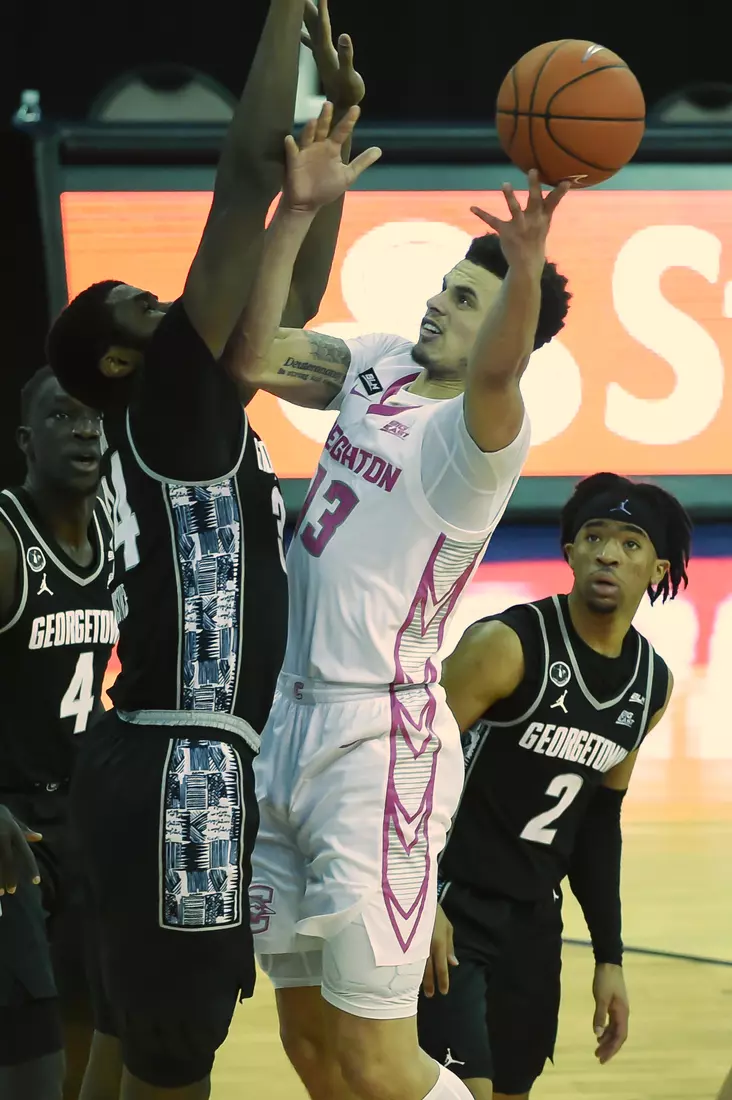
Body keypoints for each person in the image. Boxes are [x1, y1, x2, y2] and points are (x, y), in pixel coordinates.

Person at [45, 4, 375, 1098]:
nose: (173, 302)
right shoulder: (171, 398)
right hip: (179, 773)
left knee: (130, 1034)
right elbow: (242, 180)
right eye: (144, 307)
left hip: (148, 758)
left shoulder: (188, 412)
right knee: (175, 1058)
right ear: (118, 362)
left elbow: (290, 301)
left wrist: (326, 154)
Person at [232, 162, 572, 1098]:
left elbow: (499, 366)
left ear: (506, 332)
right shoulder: (379, 362)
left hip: (377, 744)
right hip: (284, 727)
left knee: (378, 1060)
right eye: (444, 288)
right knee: (310, 1044)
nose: (438, 306)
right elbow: (251, 358)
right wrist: (299, 212)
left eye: (466, 301)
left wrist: (526, 266)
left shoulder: (479, 440)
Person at [416, 471, 691, 1100]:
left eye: (629, 543)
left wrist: (609, 957)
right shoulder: (507, 644)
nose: (608, 554)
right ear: (570, 553)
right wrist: (418, 899)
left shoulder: (650, 684)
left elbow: (598, 824)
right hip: (452, 905)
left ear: (656, 569)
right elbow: (406, 762)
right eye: (594, 537)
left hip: (535, 923)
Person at [0, 366, 115, 1100]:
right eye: (61, 417)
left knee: (91, 1040)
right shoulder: (8, 539)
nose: (83, 431)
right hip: (11, 820)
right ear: (25, 440)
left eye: (93, 418)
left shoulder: (115, 536)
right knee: (30, 1066)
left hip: (83, 815)